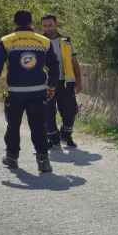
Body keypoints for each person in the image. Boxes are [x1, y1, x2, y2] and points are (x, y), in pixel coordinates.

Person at [0, 9, 59, 173]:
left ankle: (12, 158)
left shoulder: (6, 41)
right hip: (38, 92)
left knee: (13, 125)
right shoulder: (44, 41)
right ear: (32, 23)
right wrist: (52, 86)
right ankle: (43, 161)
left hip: (14, 94)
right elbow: (54, 66)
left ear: (14, 24)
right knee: (38, 126)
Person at [40, 13, 83, 149]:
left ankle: (65, 135)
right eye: (45, 26)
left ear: (56, 24)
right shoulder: (38, 41)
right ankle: (53, 139)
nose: (48, 28)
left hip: (65, 82)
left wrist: (78, 81)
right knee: (48, 112)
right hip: (45, 83)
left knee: (70, 111)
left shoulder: (66, 40)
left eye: (50, 25)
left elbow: (74, 61)